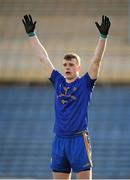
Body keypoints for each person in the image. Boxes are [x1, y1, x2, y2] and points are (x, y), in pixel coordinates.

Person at [22, 14, 111, 179]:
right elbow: (43, 59)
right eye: (65, 65)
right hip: (59, 141)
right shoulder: (58, 81)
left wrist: (103, 37)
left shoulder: (85, 83)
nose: (67, 67)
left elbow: (96, 61)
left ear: (78, 67)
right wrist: (31, 35)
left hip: (78, 140)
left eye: (71, 65)